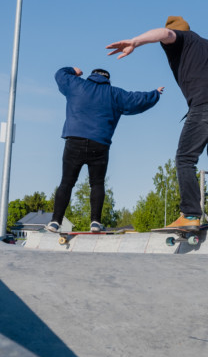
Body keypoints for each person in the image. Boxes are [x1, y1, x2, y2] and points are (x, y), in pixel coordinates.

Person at [107, 16, 208, 230]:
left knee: (185, 157)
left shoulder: (180, 38)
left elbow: (165, 34)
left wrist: (135, 41)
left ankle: (190, 215)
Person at [47, 67, 163, 233]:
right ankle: (95, 222)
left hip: (74, 141)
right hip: (99, 144)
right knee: (97, 184)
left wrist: (73, 70)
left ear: (91, 76)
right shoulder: (114, 94)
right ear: (108, 79)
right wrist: (155, 94)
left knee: (66, 182)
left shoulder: (76, 85)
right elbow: (137, 99)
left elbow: (59, 74)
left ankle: (55, 222)